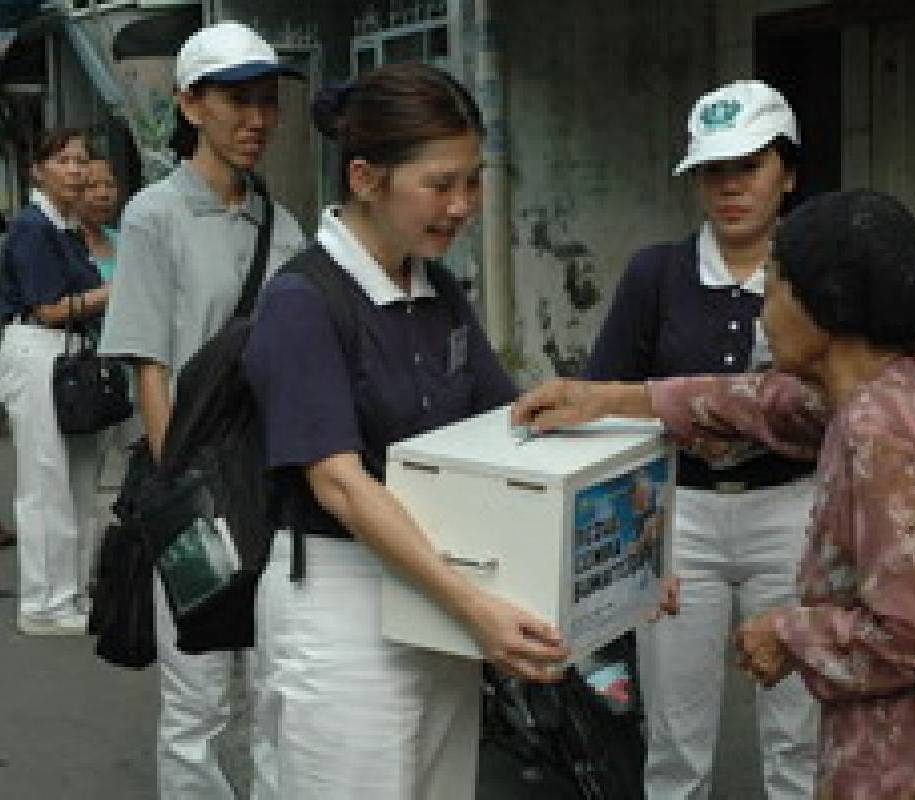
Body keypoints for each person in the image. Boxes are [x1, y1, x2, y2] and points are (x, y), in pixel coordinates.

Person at [513, 190, 915, 796]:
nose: (763, 304)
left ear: (825, 309)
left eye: (777, 281)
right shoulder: (908, 380)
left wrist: (787, 634)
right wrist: (608, 400)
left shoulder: (880, 436)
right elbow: (767, 403)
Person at [240, 62, 570, 799]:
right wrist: (473, 607)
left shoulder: (436, 285)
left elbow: (505, 422)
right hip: (341, 599)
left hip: (441, 588)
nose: (462, 205)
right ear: (366, 178)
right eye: (441, 183)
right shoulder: (303, 300)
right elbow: (342, 486)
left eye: (473, 181)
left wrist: (614, 550)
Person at [585, 79, 818, 798]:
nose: (730, 187)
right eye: (714, 171)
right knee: (677, 744)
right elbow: (607, 404)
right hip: (680, 517)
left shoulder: (812, 274)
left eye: (748, 166)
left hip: (791, 512)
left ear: (789, 173)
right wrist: (638, 538)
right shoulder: (657, 273)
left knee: (799, 737)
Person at [98, 22, 307, 799]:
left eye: (266, 101)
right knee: (198, 699)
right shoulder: (155, 216)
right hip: (192, 489)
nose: (255, 119)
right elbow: (150, 367)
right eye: (234, 100)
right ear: (189, 105)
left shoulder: (280, 226)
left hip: (272, 487)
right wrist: (183, 501)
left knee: (271, 687)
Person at [0, 128, 103, 636]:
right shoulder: (31, 227)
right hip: (38, 349)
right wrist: (111, 291)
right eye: (64, 160)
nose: (77, 170)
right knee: (46, 481)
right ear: (38, 169)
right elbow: (47, 307)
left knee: (78, 478)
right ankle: (44, 602)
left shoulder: (66, 226)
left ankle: (75, 592)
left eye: (82, 160)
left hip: (69, 356)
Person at [78, 157, 122, 281]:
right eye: (91, 186)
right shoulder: (62, 245)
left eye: (110, 185)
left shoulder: (124, 241)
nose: (104, 194)